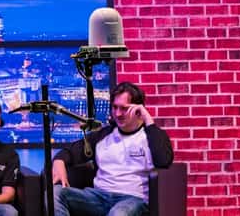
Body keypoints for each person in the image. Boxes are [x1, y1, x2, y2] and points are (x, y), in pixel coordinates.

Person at [52, 82, 173, 216]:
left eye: (124, 108)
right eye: (114, 107)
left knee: (118, 213)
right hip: (98, 197)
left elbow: (164, 161)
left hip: (133, 199)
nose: (117, 113)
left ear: (138, 110)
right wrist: (58, 162)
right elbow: (70, 151)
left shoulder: (151, 136)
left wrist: (148, 119)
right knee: (55, 193)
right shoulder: (103, 135)